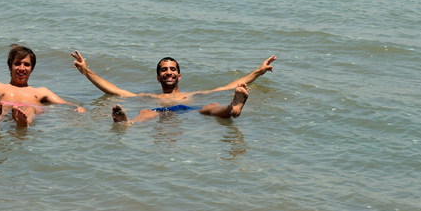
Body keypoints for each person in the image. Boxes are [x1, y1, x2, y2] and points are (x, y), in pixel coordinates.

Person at [71, 51, 276, 125]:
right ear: (159, 77)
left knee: (212, 104)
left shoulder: (193, 95)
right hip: (159, 110)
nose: (168, 72)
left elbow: (229, 85)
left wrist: (259, 71)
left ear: (179, 76)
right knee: (144, 111)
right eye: (163, 70)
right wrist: (87, 71)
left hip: (188, 110)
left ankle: (233, 107)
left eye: (172, 69)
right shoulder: (149, 97)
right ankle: (126, 123)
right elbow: (114, 90)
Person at [0, 45, 86, 129]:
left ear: (32, 69)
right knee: (2, 107)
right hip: (6, 106)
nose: (22, 68)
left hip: (30, 108)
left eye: (26, 65)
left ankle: (24, 122)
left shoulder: (41, 91)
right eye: (17, 64)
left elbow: (63, 104)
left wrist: (77, 107)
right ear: (10, 66)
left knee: (30, 109)